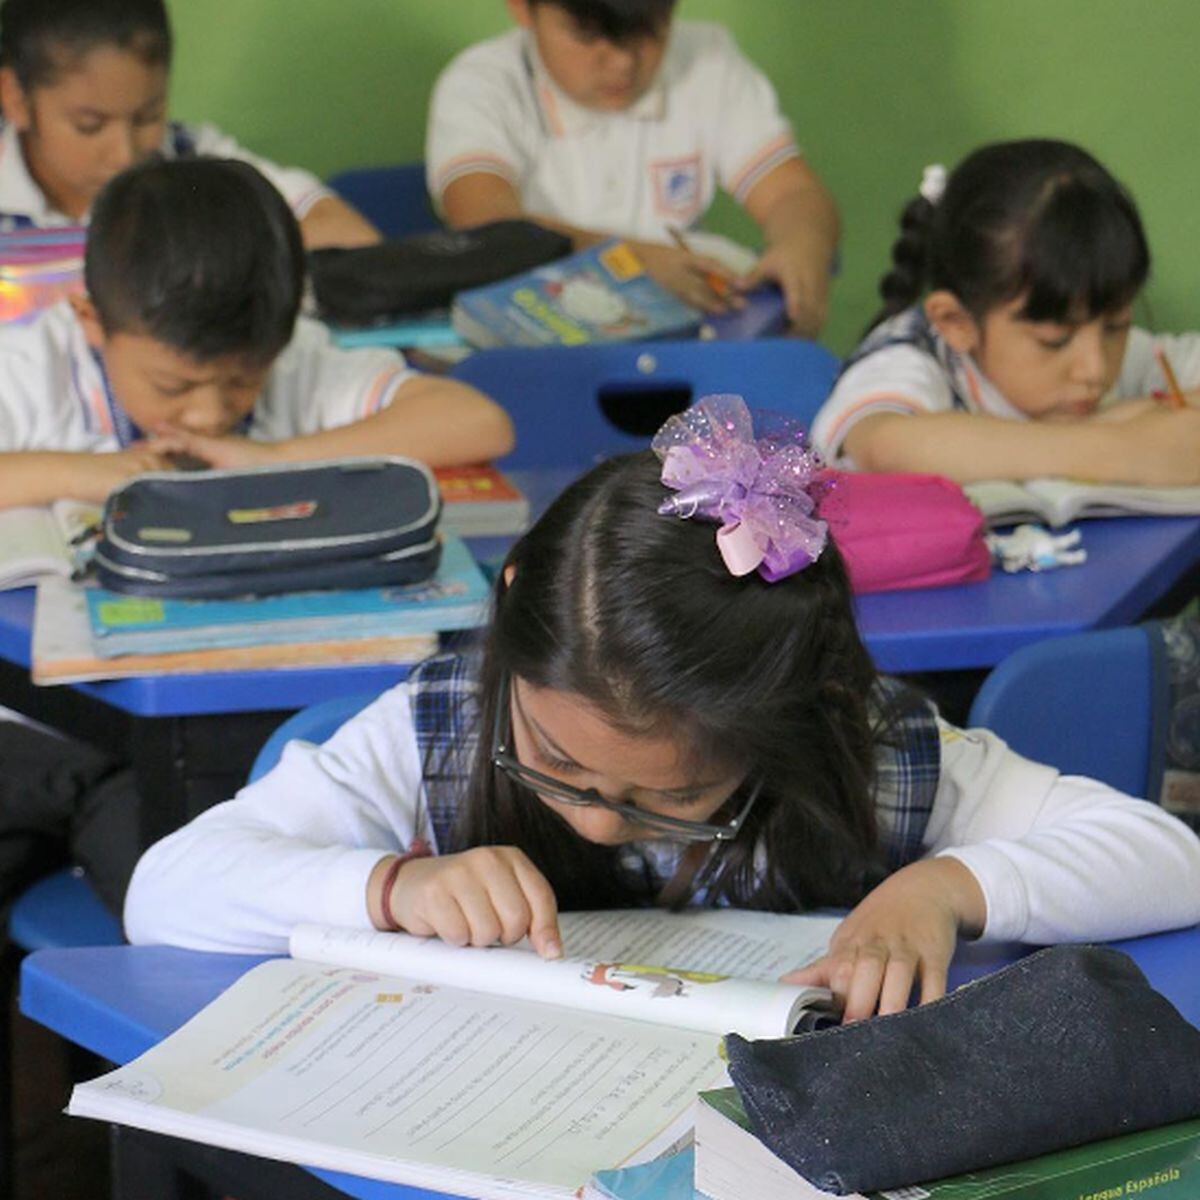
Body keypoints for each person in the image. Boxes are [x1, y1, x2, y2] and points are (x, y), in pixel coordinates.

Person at [124, 395, 1200, 1022]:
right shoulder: (442, 720)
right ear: (507, 629)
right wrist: (395, 885)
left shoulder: (864, 745)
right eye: (555, 761)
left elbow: (1167, 857)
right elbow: (165, 893)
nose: (595, 821)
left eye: (673, 797)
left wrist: (946, 888)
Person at [0, 155, 513, 510]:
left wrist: (276, 459)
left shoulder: (295, 363)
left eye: (244, 380)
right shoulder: (33, 369)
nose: (210, 413)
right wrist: (70, 473)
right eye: (173, 387)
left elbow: (480, 421)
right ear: (92, 321)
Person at [425, 0, 838, 335]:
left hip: (684, 344)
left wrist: (803, 248)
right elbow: (487, 224)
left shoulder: (709, 61)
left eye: (649, 30)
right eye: (587, 35)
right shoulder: (482, 84)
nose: (622, 63)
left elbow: (791, 193)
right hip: (534, 344)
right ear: (521, 8)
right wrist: (625, 264)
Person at [811, 139, 1200, 486]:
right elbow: (885, 445)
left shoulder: (1099, 345)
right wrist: (1125, 448)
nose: (1094, 369)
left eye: (1117, 326)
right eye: (1054, 340)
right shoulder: (909, 358)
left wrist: (1137, 417)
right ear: (956, 323)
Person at [0, 0, 379, 247]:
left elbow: (348, 235)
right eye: (90, 125)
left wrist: (203, 258)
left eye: (148, 117)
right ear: (15, 98)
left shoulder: (193, 159)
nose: (124, 154)